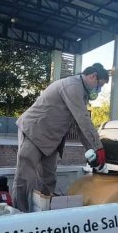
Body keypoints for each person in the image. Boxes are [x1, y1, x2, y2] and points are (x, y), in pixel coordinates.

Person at [12, 63, 109, 212]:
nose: (98, 90)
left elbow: (79, 125)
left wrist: (93, 149)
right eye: (99, 86)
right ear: (93, 76)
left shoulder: (81, 93)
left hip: (51, 139)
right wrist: (98, 148)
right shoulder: (72, 86)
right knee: (25, 177)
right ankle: (20, 214)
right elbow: (82, 119)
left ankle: (45, 211)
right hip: (34, 131)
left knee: (49, 177)